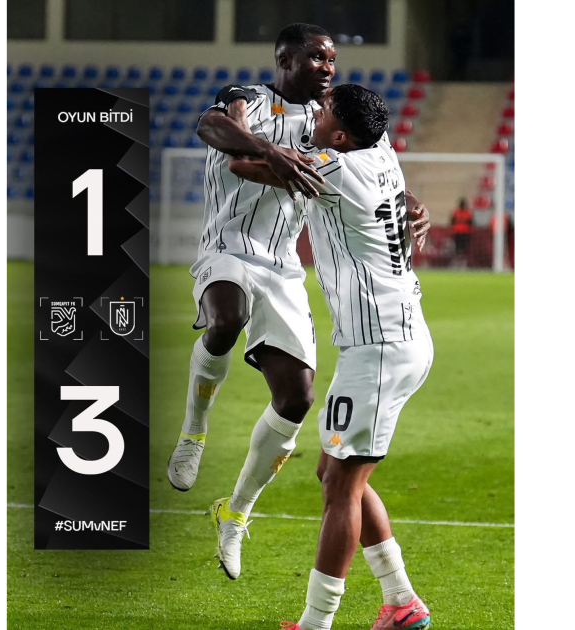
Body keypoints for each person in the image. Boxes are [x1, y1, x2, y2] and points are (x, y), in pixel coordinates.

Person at [228, 85, 434, 630]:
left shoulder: (335, 171)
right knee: (336, 471)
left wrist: (237, 114)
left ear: (341, 136)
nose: (315, 114)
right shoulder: (380, 150)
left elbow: (241, 164)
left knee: (341, 486)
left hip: (378, 349)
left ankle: (317, 623)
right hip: (397, 337)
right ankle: (401, 601)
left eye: (324, 114)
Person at [166, 23, 336, 580]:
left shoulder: (329, 120)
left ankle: (235, 513)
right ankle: (194, 431)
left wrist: (406, 198)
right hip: (226, 246)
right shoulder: (246, 98)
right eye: (317, 58)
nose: (328, 68)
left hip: (284, 265)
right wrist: (271, 151)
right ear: (285, 59)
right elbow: (211, 126)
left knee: (297, 398)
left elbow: (369, 162)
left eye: (332, 60)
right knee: (227, 317)